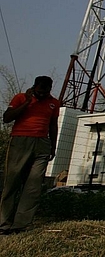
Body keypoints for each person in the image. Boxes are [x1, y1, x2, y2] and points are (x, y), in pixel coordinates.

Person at [0, 76, 59, 234]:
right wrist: (27, 102)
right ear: (34, 87)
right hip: (20, 141)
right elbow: (7, 118)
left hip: (42, 144)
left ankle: (21, 224)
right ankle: (4, 223)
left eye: (45, 92)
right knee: (12, 181)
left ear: (50, 89)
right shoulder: (21, 98)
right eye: (39, 91)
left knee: (33, 185)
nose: (42, 95)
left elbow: (53, 125)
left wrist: (53, 146)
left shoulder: (54, 103)